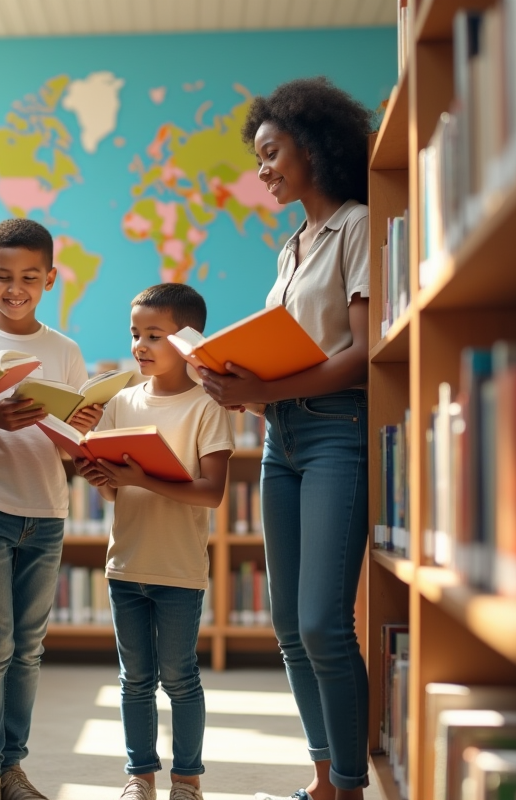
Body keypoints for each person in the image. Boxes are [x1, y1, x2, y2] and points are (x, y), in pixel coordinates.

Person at [197, 77, 374, 800]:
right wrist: (238, 380)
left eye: (272, 153)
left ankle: (355, 785)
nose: (263, 169)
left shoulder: (359, 225)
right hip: (282, 439)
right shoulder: (291, 247)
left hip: (339, 434)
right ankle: (325, 777)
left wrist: (260, 390)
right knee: (287, 627)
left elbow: (362, 353)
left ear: (313, 146)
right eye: (260, 156)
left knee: (323, 623)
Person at [0, 218, 104, 800]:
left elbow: (78, 448)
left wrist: (82, 426)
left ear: (50, 279)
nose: (16, 288)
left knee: (28, 648)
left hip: (48, 511)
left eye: (29, 277)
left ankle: (13, 768)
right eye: (3, 276)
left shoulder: (65, 350)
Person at [75, 283, 234, 800]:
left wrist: (141, 479)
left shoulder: (207, 407)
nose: (140, 346)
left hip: (179, 570)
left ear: (188, 340)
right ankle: (139, 777)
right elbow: (118, 486)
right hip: (125, 564)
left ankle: (187, 780)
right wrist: (100, 476)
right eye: (135, 334)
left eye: (154, 335)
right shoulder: (120, 403)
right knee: (134, 681)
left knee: (180, 678)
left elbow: (211, 494)